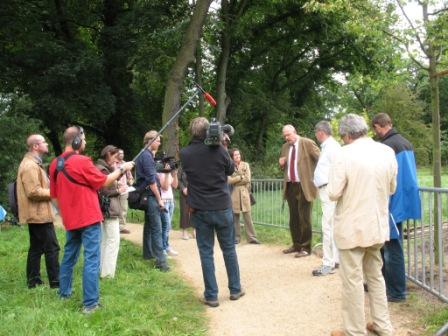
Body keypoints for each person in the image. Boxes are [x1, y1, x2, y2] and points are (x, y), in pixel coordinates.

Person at [49, 126, 134, 313]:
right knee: (91, 259)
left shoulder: (55, 164)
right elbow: (104, 182)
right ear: (77, 141)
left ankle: (64, 293)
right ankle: (90, 303)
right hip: (88, 218)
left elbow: (54, 196)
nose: (85, 143)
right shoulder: (82, 161)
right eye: (84, 139)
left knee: (69, 257)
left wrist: (64, 214)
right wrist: (122, 169)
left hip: (71, 221)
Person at [328, 114, 397, 336]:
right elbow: (392, 187)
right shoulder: (386, 152)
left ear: (347, 135)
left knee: (353, 281)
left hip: (351, 228)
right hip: (377, 225)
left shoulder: (344, 154)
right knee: (376, 276)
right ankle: (383, 326)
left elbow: (332, 192)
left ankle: (354, 331)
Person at [180, 117, 243, 308]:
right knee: (229, 249)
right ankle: (235, 289)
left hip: (200, 209)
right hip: (222, 207)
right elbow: (231, 170)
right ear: (209, 131)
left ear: (192, 132)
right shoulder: (220, 150)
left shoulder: (185, 153)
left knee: (206, 253)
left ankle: (211, 295)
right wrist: (222, 144)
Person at [372, 112, 421, 302]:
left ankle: (397, 291)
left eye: (375, 129)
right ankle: (388, 286)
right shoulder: (406, 142)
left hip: (393, 201)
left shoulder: (387, 146)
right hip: (406, 198)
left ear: (378, 126)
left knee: (392, 247)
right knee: (391, 246)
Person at [16, 134, 60, 289]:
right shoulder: (30, 166)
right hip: (39, 214)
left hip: (37, 213)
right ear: (35, 146)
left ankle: (33, 281)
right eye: (44, 142)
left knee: (36, 248)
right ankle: (56, 283)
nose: (47, 144)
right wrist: (55, 192)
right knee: (52, 248)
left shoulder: (33, 163)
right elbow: (33, 192)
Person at [279, 124, 320, 258]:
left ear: (295, 132)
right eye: (284, 135)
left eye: (288, 134)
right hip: (290, 185)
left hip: (304, 186)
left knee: (304, 218)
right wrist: (281, 164)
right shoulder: (285, 147)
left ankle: (306, 248)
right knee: (294, 218)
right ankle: (296, 245)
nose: (286, 138)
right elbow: (285, 167)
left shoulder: (307, 143)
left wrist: (316, 177)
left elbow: (321, 160)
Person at [135, 130, 169, 272]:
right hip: (150, 195)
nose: (159, 143)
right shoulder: (147, 156)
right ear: (150, 141)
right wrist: (159, 199)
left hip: (148, 195)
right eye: (157, 141)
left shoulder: (145, 155)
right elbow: (151, 181)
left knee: (149, 225)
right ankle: (161, 262)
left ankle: (148, 254)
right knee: (157, 227)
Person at [312, 121, 341, 276]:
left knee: (328, 226)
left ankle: (328, 263)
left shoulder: (332, 147)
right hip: (327, 189)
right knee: (331, 226)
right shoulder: (329, 147)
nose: (316, 135)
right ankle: (334, 259)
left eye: (316, 132)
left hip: (330, 190)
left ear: (321, 132)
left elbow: (338, 170)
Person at [96, 145, 126, 278]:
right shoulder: (102, 169)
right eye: (114, 156)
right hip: (108, 210)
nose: (116, 160)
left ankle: (103, 271)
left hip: (105, 210)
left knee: (106, 241)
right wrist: (118, 191)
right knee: (113, 241)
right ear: (108, 154)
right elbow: (104, 190)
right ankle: (107, 274)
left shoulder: (103, 168)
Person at [228, 148, 260, 244]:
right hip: (234, 194)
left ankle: (252, 238)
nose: (238, 156)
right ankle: (236, 238)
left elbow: (248, 179)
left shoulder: (246, 165)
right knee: (235, 217)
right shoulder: (229, 166)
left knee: (247, 216)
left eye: (239, 154)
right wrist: (240, 177)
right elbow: (228, 180)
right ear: (232, 157)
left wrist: (236, 179)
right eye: (235, 155)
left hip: (245, 193)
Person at [158, 165, 179, 256]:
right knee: (165, 226)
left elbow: (175, 185)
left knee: (168, 226)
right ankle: (162, 248)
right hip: (164, 202)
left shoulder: (168, 173)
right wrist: (166, 173)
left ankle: (166, 247)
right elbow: (165, 187)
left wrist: (174, 174)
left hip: (170, 201)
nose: (169, 165)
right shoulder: (159, 172)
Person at [117, 149, 134, 234]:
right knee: (115, 208)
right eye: (120, 153)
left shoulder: (125, 164)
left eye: (122, 153)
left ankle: (121, 227)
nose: (121, 155)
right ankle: (116, 226)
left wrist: (131, 181)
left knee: (123, 208)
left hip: (124, 189)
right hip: (115, 189)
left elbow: (130, 177)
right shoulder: (113, 163)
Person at [178, 166, 193, 240]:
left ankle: (195, 231)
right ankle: (184, 232)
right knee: (184, 212)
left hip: (194, 191)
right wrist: (183, 188)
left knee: (195, 211)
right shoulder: (181, 167)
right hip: (184, 192)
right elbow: (178, 180)